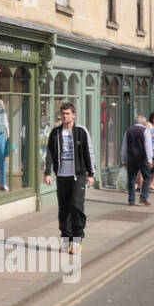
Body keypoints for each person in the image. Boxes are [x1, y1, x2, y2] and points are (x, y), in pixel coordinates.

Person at [43, 102, 95, 256]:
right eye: (63, 114)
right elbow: (50, 154)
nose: (65, 116)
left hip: (77, 176)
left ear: (73, 115)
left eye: (67, 114)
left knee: (77, 208)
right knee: (64, 210)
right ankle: (66, 241)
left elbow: (88, 152)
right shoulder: (56, 132)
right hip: (62, 176)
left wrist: (91, 174)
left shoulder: (81, 131)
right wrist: (48, 172)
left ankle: (77, 242)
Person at [121, 114, 154, 207]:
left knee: (131, 178)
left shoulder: (128, 131)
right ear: (143, 122)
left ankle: (131, 200)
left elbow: (124, 147)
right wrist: (150, 160)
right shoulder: (145, 131)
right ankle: (143, 198)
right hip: (142, 157)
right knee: (147, 176)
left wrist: (123, 160)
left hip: (131, 158)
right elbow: (148, 146)